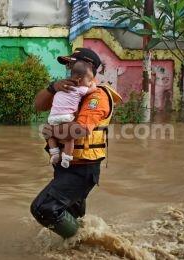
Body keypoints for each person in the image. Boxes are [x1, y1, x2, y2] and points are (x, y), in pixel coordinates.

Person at [30, 48, 122, 239]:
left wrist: (49, 131)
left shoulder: (97, 96)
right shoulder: (67, 90)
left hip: (83, 168)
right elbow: (38, 106)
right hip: (67, 164)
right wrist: (53, 87)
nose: (69, 68)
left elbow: (80, 131)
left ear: (88, 66)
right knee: (71, 215)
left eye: (72, 63)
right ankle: (79, 244)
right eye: (68, 65)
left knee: (43, 208)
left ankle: (83, 243)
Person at [47, 59, 97, 168]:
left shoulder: (62, 86)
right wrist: (92, 84)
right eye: (88, 80)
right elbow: (93, 89)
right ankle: (67, 157)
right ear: (79, 80)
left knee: (50, 135)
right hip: (66, 117)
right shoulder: (80, 89)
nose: (89, 83)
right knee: (70, 138)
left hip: (52, 117)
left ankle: (54, 153)